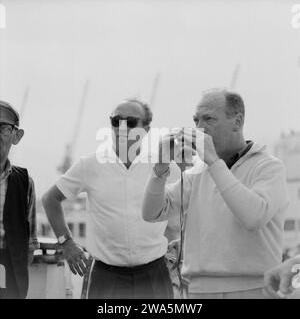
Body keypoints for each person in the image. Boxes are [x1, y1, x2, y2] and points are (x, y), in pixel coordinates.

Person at [142, 88, 289, 299]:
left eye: (209, 119)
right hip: (199, 290)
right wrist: (159, 169)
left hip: (255, 289)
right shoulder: (199, 171)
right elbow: (151, 213)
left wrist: (213, 162)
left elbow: (253, 217)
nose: (200, 129)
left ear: (237, 122)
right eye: (196, 120)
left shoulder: (269, 167)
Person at [42, 99, 174, 299]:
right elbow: (50, 199)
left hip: (154, 274)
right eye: (115, 120)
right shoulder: (90, 165)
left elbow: (182, 202)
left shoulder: (161, 164)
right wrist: (66, 242)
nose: (121, 127)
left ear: (145, 129)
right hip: (106, 276)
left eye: (130, 122)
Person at [0, 100, 39, 299]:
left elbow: (30, 243)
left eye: (4, 128)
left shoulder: (24, 182)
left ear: (17, 136)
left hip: (9, 271)